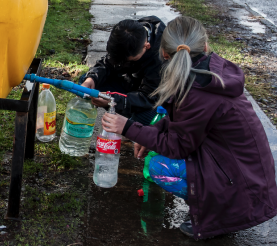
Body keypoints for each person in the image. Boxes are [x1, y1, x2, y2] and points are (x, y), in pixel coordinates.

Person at [101, 16, 277, 239]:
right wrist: (150, 133)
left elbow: (177, 147)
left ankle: (218, 214)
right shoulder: (205, 73)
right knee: (156, 150)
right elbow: (184, 124)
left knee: (158, 167)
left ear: (163, 53)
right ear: (204, 45)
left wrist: (128, 128)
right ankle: (214, 204)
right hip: (243, 172)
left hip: (243, 187)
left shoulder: (196, 91)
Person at [80, 16, 166, 125]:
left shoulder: (161, 56)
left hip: (149, 97)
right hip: (128, 84)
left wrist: (115, 100)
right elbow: (107, 63)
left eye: (129, 60)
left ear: (147, 46)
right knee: (87, 82)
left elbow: (149, 98)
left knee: (149, 119)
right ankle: (125, 118)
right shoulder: (128, 34)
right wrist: (91, 78)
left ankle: (129, 125)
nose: (122, 63)